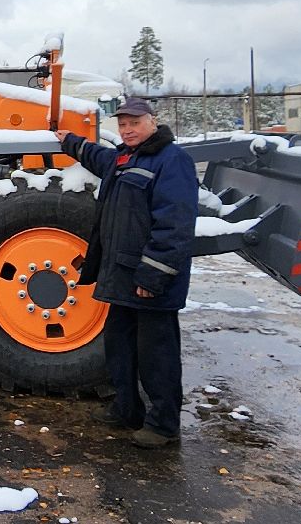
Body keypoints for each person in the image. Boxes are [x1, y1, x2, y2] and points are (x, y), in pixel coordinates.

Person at [59, 96, 198, 449]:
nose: (127, 129)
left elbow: (174, 226)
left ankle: (164, 425)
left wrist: (152, 277)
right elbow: (98, 158)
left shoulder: (173, 161)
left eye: (134, 122)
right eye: (122, 124)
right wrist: (69, 141)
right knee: (120, 348)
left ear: (153, 121)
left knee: (157, 355)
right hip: (122, 277)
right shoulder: (125, 158)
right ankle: (126, 409)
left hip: (150, 281)